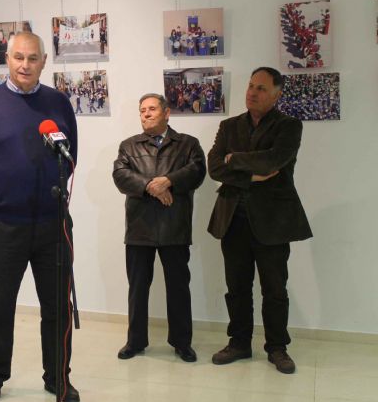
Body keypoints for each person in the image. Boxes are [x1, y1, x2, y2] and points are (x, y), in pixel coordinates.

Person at [0, 32, 79, 402]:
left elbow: (70, 154)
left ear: (44, 61)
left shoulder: (58, 103)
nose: (24, 65)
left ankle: (57, 377)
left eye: (32, 58)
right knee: (0, 307)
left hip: (52, 224)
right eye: (17, 57)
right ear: (6, 59)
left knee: (57, 307)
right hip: (4, 226)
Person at [207, 67, 312, 374]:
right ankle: (239, 343)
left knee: (275, 289)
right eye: (251, 85)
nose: (252, 92)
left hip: (274, 221)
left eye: (262, 88)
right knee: (236, 287)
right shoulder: (229, 126)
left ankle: (277, 347)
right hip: (232, 219)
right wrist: (253, 174)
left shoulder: (289, 126)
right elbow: (214, 167)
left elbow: (273, 160)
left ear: (277, 95)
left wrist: (234, 159)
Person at [113, 94, 206, 363]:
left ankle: (182, 342)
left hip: (174, 225)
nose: (146, 114)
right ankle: (135, 341)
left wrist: (168, 181)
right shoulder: (129, 146)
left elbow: (198, 172)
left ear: (167, 113)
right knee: (137, 288)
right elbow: (120, 176)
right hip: (139, 228)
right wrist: (153, 187)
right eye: (142, 110)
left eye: (152, 109)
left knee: (178, 288)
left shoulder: (188, 144)